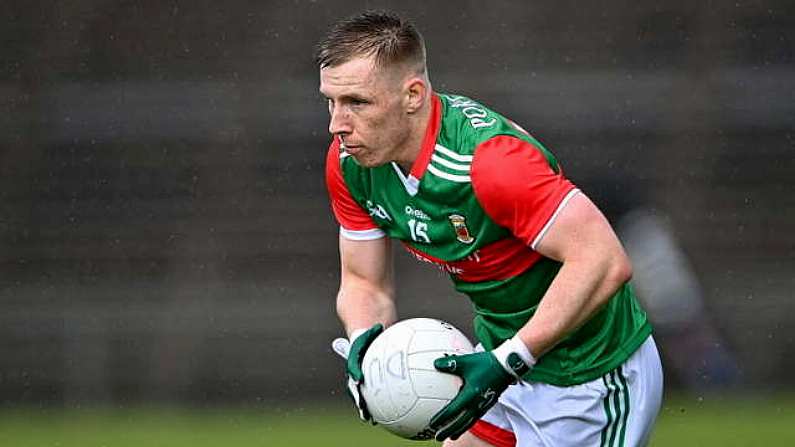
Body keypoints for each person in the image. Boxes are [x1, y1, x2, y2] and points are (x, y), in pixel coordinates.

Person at [317, 11, 663, 447]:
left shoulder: (490, 164)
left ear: (413, 95)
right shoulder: (351, 166)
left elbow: (603, 259)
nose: (337, 124)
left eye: (357, 103)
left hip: (592, 376)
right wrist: (366, 344)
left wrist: (511, 360)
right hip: (502, 362)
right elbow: (364, 281)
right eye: (331, 101)